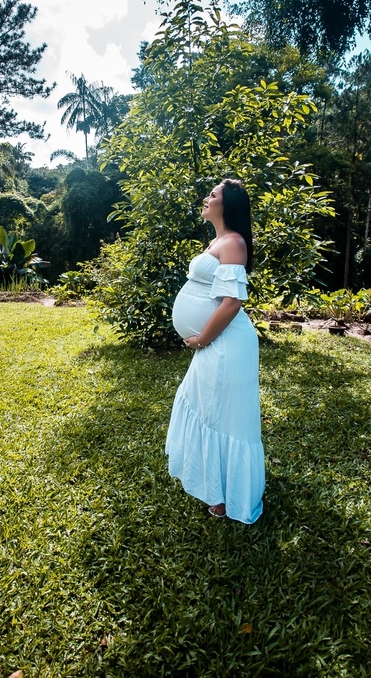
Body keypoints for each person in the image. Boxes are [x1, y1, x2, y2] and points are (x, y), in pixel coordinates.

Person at [167, 179, 264, 524]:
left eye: (213, 195)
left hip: (225, 344)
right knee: (207, 409)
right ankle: (216, 488)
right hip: (215, 343)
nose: (206, 199)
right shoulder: (218, 241)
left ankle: (227, 497)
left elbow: (232, 302)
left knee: (223, 417)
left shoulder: (234, 243)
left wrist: (203, 339)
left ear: (228, 205)